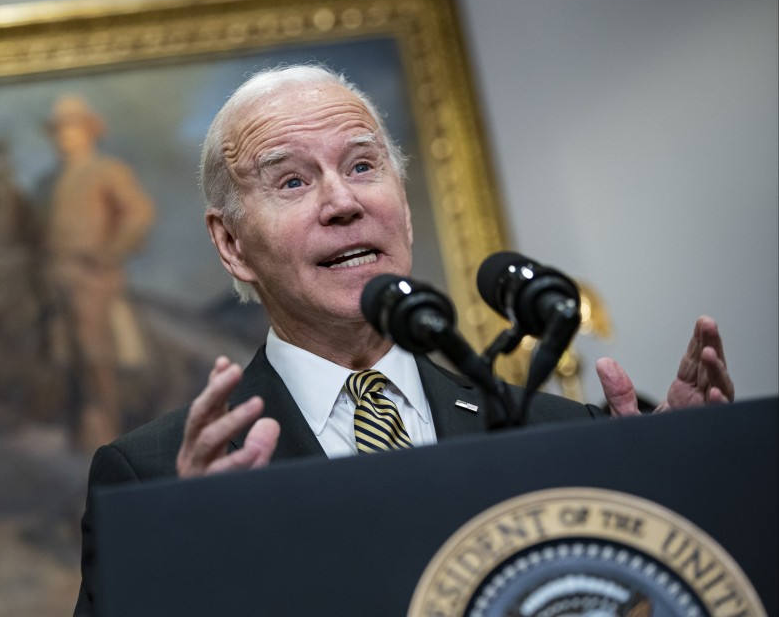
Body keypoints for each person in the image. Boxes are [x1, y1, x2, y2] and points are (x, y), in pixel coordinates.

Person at [71, 65, 733, 616]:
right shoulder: (151, 482)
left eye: (363, 166)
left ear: (404, 205)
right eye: (293, 181)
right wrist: (183, 558)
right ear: (232, 242)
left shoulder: (567, 434)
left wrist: (685, 491)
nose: (342, 202)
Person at [42, 95, 156, 451]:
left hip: (91, 277)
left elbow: (139, 212)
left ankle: (103, 428)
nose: (65, 137)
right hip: (50, 273)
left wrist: (110, 252)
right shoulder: (49, 181)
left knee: (91, 345)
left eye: (73, 129)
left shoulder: (107, 171)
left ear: (89, 132)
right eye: (60, 131)